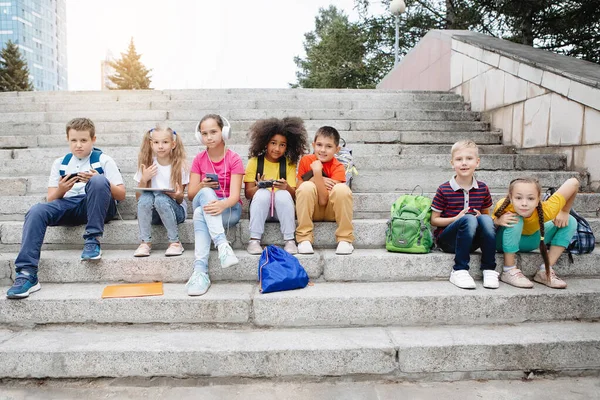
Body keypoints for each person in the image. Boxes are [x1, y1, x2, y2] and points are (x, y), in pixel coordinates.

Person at [6, 118, 125, 299]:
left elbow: (121, 195)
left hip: (98, 205)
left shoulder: (104, 160)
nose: (78, 145)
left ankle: (92, 240)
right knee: (36, 210)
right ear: (67, 139)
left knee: (98, 180)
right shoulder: (60, 162)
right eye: (74, 140)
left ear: (93, 139)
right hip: (69, 204)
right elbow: (51, 198)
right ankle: (27, 274)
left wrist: (99, 181)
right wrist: (62, 189)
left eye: (84, 140)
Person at [185, 114, 244, 296]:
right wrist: (202, 185)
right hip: (204, 202)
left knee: (198, 215)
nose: (209, 137)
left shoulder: (234, 159)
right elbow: (191, 195)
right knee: (205, 193)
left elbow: (235, 196)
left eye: (213, 132)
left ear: (224, 132)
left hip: (229, 209)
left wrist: (222, 205)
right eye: (204, 133)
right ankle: (222, 245)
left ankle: (200, 271)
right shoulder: (199, 159)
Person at [430, 140, 497, 290]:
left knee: (486, 219)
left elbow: (487, 216)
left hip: (472, 241)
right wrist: (456, 219)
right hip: (448, 241)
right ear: (452, 163)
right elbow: (434, 220)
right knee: (467, 219)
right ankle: (459, 269)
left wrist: (480, 217)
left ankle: (489, 269)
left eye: (469, 159)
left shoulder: (483, 188)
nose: (464, 163)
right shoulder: (444, 189)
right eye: (459, 159)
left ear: (477, 162)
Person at [493, 177, 579, 289]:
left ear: (538, 199)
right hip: (502, 242)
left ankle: (545, 271)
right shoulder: (503, 205)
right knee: (515, 218)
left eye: (531, 198)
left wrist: (565, 211)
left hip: (531, 241)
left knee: (570, 221)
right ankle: (509, 270)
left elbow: (574, 182)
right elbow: (488, 228)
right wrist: (497, 221)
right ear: (511, 197)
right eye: (518, 198)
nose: (524, 203)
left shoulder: (547, 209)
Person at [244, 117, 308, 255]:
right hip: (261, 210)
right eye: (273, 143)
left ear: (288, 146)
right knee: (262, 193)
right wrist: (259, 186)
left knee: (282, 194)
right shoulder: (255, 162)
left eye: (282, 145)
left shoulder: (289, 164)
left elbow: (294, 194)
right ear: (265, 142)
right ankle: (254, 240)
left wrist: (286, 187)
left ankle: (290, 240)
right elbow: (248, 194)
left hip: (282, 211)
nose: (277, 148)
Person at [295, 126, 354, 255]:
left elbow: (323, 201)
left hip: (330, 211)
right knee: (305, 187)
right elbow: (298, 189)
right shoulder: (306, 161)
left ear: (337, 149)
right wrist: (316, 180)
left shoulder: (337, 167)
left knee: (342, 189)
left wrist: (316, 174)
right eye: (319, 145)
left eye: (328, 146)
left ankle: (345, 239)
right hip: (312, 209)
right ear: (313, 145)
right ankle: (304, 238)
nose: (322, 150)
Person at [133, 124, 189, 257]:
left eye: (165, 142)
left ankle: (175, 242)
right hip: (153, 214)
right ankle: (145, 243)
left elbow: (180, 199)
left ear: (173, 144)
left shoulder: (180, 166)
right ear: (151, 144)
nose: (160, 146)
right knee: (147, 197)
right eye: (156, 142)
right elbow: (138, 199)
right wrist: (144, 179)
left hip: (176, 211)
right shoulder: (147, 164)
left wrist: (178, 195)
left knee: (161, 198)